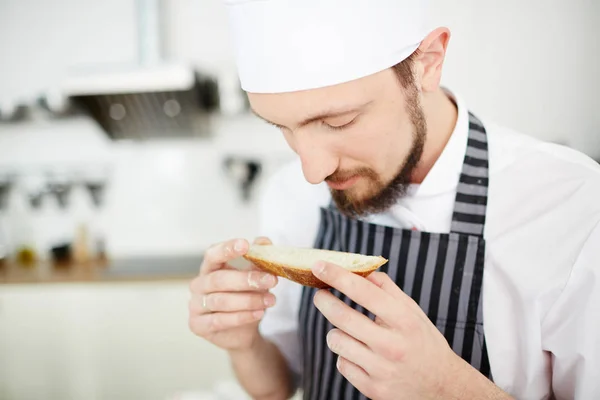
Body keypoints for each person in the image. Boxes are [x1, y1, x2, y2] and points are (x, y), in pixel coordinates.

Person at [188, 1, 600, 399]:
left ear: (429, 62)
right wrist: (243, 343)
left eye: (339, 121)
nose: (312, 171)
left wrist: (449, 389)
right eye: (282, 127)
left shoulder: (572, 206)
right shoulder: (288, 191)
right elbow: (278, 385)